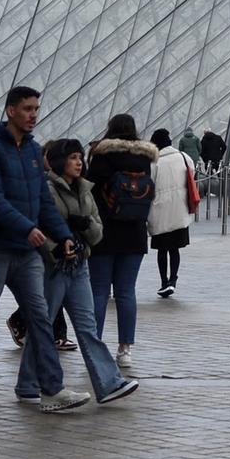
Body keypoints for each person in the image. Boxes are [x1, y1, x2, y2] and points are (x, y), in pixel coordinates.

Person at [0, 86, 88, 413]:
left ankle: (51, 389)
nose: (33, 115)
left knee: (41, 317)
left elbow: (42, 201)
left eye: (36, 109)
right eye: (27, 109)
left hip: (27, 252)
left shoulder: (32, 150)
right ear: (10, 110)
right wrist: (26, 228)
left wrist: (62, 235)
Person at [22, 138, 137, 407]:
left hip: (80, 266)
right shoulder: (47, 189)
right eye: (73, 157)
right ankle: (28, 383)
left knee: (87, 328)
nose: (79, 162)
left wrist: (85, 225)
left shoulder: (86, 190)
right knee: (43, 326)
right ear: (61, 161)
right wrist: (55, 248)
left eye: (80, 157)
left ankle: (109, 383)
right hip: (54, 267)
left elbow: (97, 233)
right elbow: (37, 225)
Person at [86, 116, 158, 372]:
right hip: (134, 233)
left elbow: (89, 193)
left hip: (103, 233)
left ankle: (94, 348)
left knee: (98, 292)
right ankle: (125, 349)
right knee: (126, 292)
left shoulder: (101, 155)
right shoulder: (144, 159)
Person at [148, 127, 199, 298]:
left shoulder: (154, 163)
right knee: (175, 249)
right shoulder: (184, 158)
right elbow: (192, 176)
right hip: (180, 209)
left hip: (160, 210)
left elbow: (149, 186)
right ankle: (173, 280)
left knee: (162, 250)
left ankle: (163, 282)